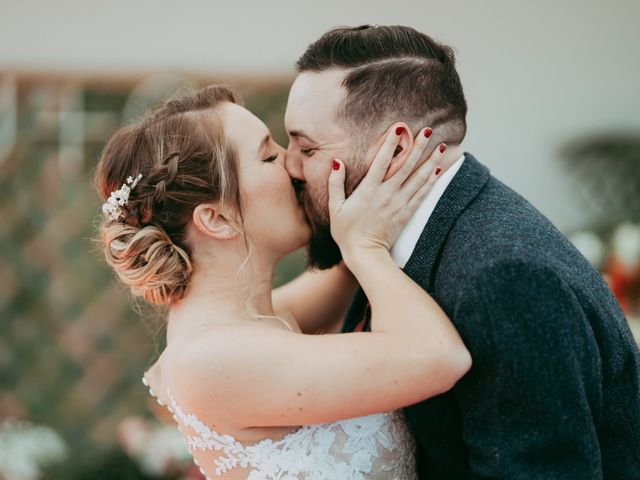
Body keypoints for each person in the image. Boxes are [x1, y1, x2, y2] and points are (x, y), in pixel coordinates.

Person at [284, 25, 640, 478]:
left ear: (395, 150)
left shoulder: (505, 279)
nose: (290, 166)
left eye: (307, 147)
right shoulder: (403, 237)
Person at [94, 85, 471, 479]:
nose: (292, 164)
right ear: (216, 219)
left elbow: (339, 279)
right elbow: (441, 356)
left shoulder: (244, 321)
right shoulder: (215, 358)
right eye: (269, 155)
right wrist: (366, 246)